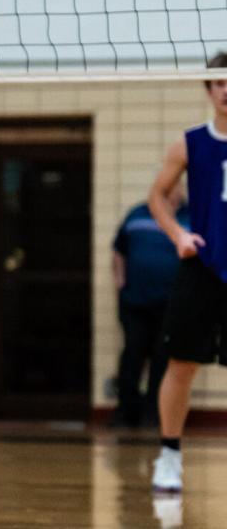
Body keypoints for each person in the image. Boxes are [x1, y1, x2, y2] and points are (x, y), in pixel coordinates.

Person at [149, 52, 227, 493]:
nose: (226, 89)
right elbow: (158, 197)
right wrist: (178, 233)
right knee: (181, 365)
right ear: (209, 89)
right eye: (219, 82)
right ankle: (170, 455)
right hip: (203, 266)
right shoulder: (189, 143)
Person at [111, 187, 188, 428]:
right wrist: (120, 282)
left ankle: (154, 414)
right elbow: (118, 251)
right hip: (135, 301)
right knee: (133, 354)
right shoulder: (137, 215)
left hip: (172, 304)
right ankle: (126, 411)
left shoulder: (191, 217)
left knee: (163, 359)